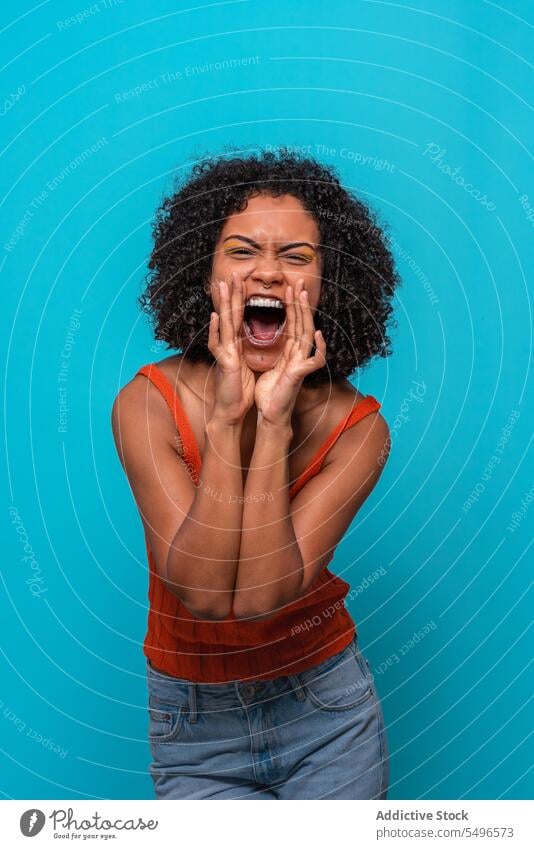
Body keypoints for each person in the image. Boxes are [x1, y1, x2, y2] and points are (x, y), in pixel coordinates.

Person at [111, 148, 400, 799]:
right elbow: (208, 597)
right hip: (195, 726)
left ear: (330, 282)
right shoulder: (147, 404)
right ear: (203, 271)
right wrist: (224, 421)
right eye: (241, 250)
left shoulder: (361, 430)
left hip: (327, 715)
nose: (267, 269)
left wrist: (270, 422)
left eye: (297, 256)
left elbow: (264, 594)